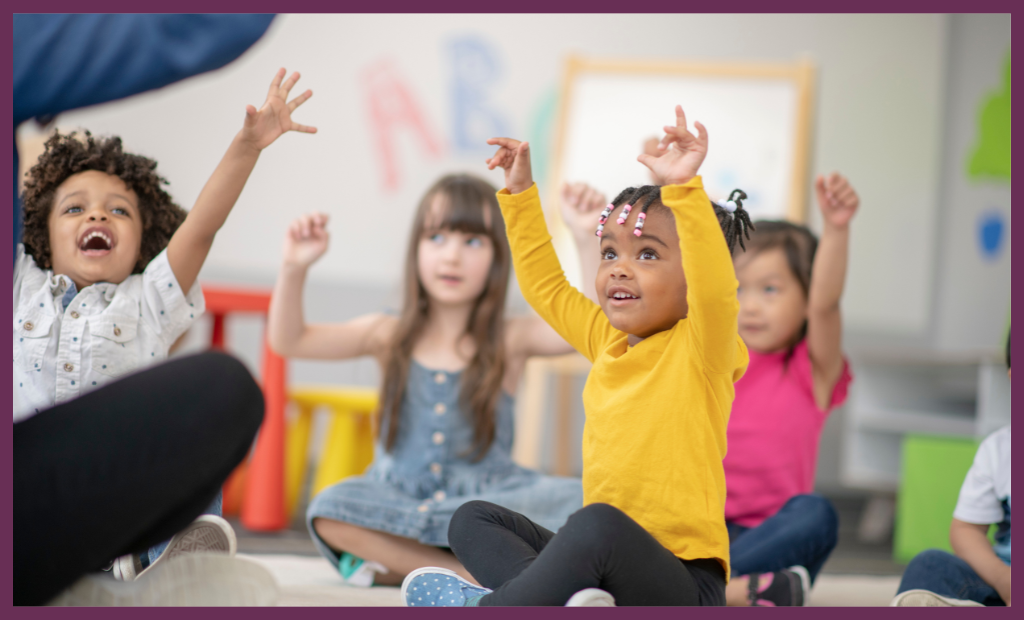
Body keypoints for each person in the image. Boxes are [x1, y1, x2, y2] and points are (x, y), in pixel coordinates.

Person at [401, 105, 753, 606]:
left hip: (683, 585)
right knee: (473, 519)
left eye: (647, 254)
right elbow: (545, 286)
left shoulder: (705, 348)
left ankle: (491, 607)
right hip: (604, 573)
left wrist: (683, 190)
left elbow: (718, 292)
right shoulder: (604, 340)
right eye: (610, 253)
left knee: (597, 524)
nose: (618, 269)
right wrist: (520, 194)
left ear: (693, 277)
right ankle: (559, 601)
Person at [15, 65, 315, 595]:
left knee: (216, 390)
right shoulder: (22, 284)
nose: (97, 218)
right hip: (36, 490)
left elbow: (203, 224)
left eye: (119, 211)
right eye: (75, 208)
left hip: (119, 495)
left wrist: (248, 145)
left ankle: (169, 554)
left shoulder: (150, 296)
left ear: (144, 236)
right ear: (40, 229)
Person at [269, 174, 603, 587]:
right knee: (330, 508)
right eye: (437, 237)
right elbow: (290, 340)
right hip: (399, 499)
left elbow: (588, 325)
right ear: (416, 249)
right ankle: (471, 574)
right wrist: (293, 267)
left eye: (473, 242)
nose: (452, 257)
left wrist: (587, 237)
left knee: (591, 505)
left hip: (488, 502)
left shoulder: (509, 337)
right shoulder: (387, 333)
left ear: (499, 257)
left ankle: (401, 567)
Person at [714, 173, 859, 605]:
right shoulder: (715, 358)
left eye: (771, 289)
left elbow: (826, 304)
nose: (751, 305)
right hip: (705, 529)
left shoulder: (810, 370)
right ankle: (731, 595)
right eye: (739, 289)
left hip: (773, 541)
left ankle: (702, 594)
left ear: (804, 299)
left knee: (817, 514)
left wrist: (836, 228)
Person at [891, 333, 1011, 607]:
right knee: (930, 564)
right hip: (1004, 585)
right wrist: (1003, 579)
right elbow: (966, 529)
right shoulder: (999, 450)